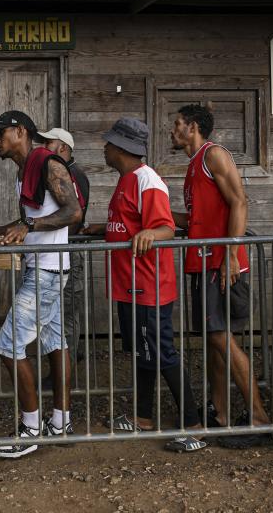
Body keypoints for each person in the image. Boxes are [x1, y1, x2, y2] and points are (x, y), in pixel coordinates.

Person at [83, 118, 205, 452]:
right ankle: (143, 418)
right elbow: (128, 223)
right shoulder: (127, 179)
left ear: (121, 148)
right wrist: (102, 229)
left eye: (108, 144)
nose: (104, 148)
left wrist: (152, 233)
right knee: (143, 352)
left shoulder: (147, 181)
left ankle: (194, 425)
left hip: (147, 286)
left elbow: (164, 227)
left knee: (162, 352)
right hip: (129, 285)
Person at [0, 110, 81, 459]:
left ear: (20, 131)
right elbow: (29, 218)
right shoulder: (25, 170)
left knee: (8, 346)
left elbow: (73, 211)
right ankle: (60, 422)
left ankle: (31, 429)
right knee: (55, 344)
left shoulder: (48, 163)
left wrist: (28, 230)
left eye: (1, 134)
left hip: (47, 272)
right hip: (44, 269)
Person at [170, 105, 270, 448]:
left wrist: (230, 253)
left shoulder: (213, 155)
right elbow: (200, 216)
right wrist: (160, 217)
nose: (173, 130)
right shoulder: (194, 163)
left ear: (193, 127)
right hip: (203, 261)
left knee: (220, 339)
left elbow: (239, 202)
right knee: (214, 339)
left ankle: (259, 418)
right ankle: (221, 414)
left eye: (177, 124)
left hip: (219, 262)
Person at [37, 127, 89, 387]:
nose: (44, 148)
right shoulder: (62, 171)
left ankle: (64, 378)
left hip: (67, 251)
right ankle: (63, 372)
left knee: (66, 314)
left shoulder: (71, 174)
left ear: (64, 149)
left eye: (49, 143)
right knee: (59, 313)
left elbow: (73, 217)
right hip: (61, 249)